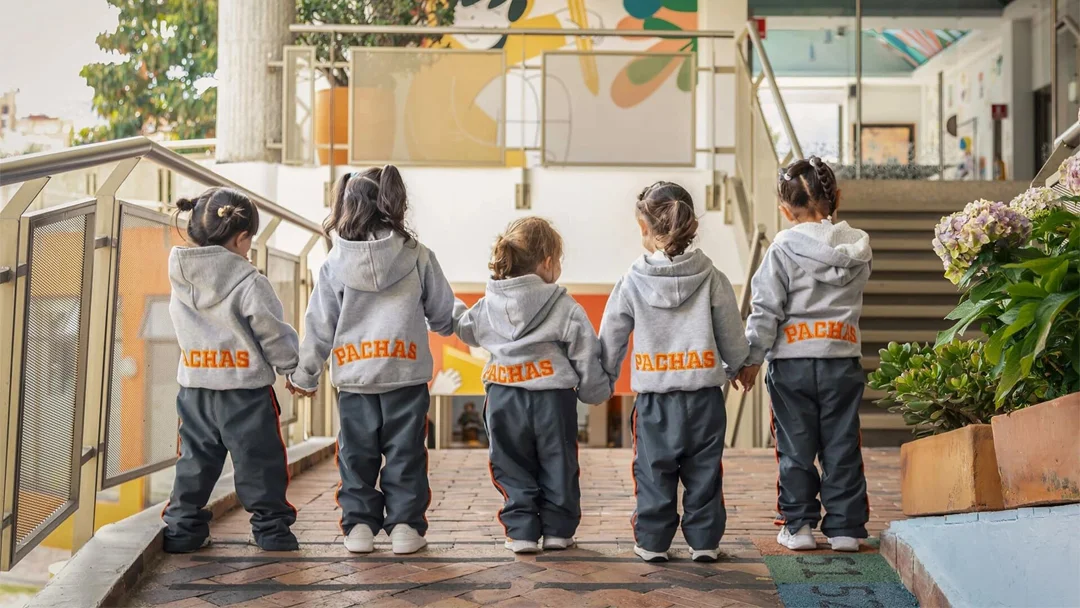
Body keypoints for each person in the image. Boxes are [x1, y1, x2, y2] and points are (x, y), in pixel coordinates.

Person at [289, 166, 455, 555]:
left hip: (354, 382)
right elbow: (442, 313)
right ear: (394, 202)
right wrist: (452, 325)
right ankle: (404, 529)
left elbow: (318, 326)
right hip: (406, 377)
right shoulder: (417, 255)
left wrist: (306, 375)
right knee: (406, 454)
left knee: (355, 454)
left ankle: (360, 526)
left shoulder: (334, 264)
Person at [598, 182, 748, 564]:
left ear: (644, 228)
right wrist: (739, 366)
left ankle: (652, 541)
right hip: (704, 399)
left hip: (654, 402)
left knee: (652, 471)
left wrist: (603, 377)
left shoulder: (631, 281)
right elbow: (731, 332)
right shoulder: (713, 278)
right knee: (704, 472)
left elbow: (611, 336)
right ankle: (704, 541)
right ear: (692, 224)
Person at [737, 156, 872, 553]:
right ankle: (846, 529)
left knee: (795, 448)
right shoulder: (858, 248)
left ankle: (798, 527)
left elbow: (765, 309)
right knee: (841, 444)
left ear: (784, 209)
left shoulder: (782, 249)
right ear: (837, 198)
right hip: (842, 360)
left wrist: (751, 358)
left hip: (792, 364)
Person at [453, 217, 610, 554]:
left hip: (503, 396)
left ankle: (522, 531)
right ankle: (557, 530)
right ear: (548, 262)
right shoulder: (564, 305)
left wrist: (450, 307)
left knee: (509, 462)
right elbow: (585, 352)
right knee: (559, 463)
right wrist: (595, 391)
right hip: (553, 399)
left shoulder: (488, 303)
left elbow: (466, 329)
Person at [164, 187, 300, 553]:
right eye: (249, 242)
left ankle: (182, 529)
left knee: (194, 460)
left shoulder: (181, 276)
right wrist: (291, 368)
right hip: (245, 392)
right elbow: (271, 332)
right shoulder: (250, 281)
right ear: (241, 239)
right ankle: (271, 531)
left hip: (194, 389)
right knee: (260, 462)